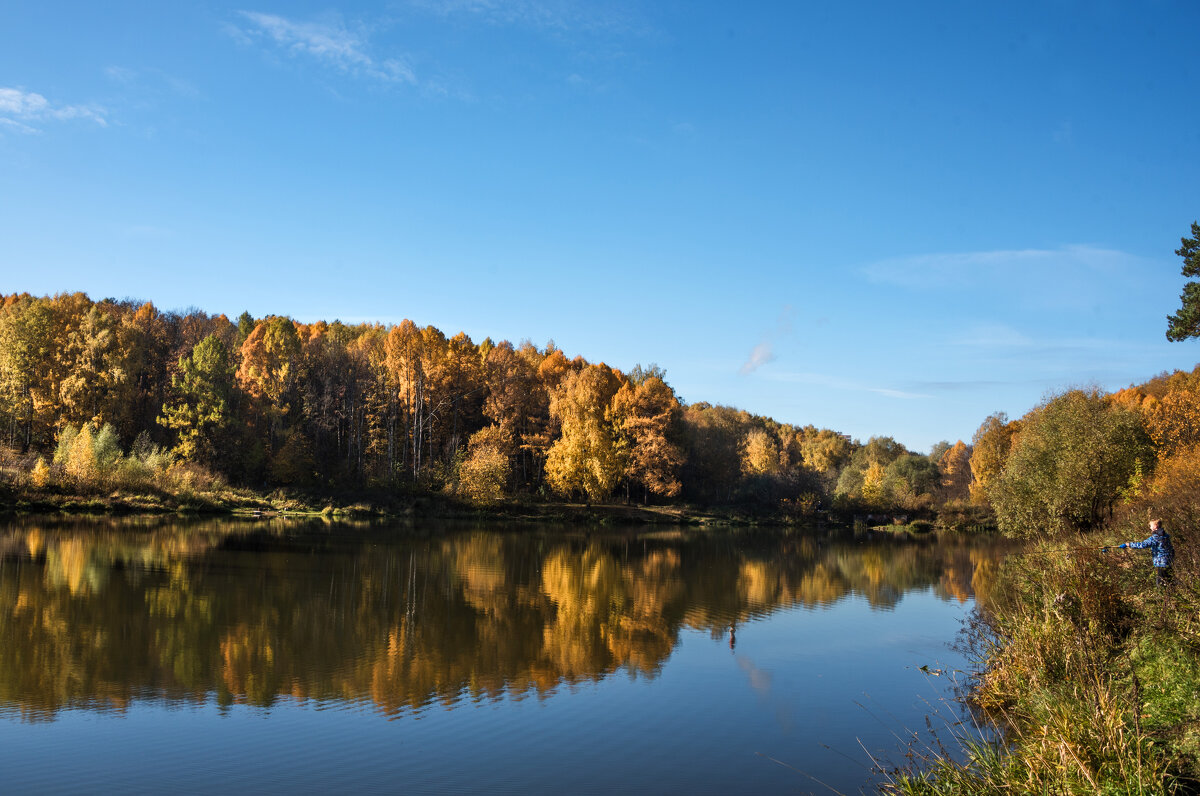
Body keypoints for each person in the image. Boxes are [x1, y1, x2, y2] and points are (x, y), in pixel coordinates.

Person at [1120, 519, 1175, 587]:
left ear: (1155, 526)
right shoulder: (1166, 535)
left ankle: (1165, 596)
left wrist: (1128, 544)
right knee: (1170, 582)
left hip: (1161, 563)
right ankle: (1172, 594)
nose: (1150, 527)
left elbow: (1143, 545)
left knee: (1161, 584)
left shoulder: (1155, 538)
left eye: (1151, 526)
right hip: (1169, 561)